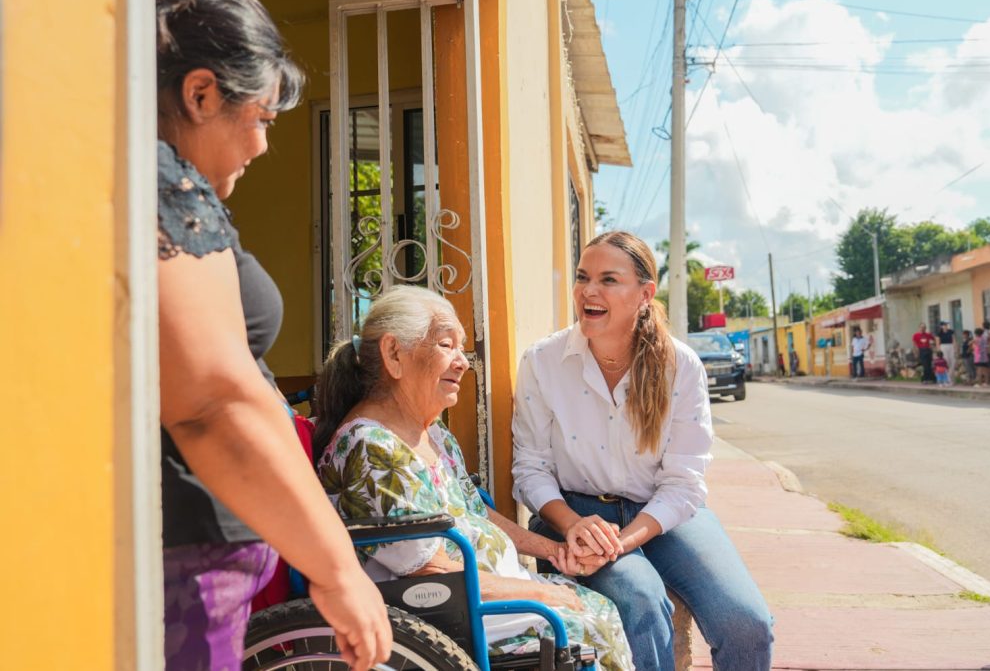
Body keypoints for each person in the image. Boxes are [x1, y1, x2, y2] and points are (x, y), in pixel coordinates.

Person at [155, 0, 391, 668]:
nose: (262, 146)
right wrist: (337, 568)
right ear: (200, 92)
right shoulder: (158, 181)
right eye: (259, 119)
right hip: (181, 578)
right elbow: (213, 404)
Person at [312, 286, 633, 669]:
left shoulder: (433, 434)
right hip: (444, 614)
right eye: (447, 345)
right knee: (585, 625)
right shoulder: (371, 447)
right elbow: (430, 573)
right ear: (394, 354)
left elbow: (475, 512)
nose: (463, 361)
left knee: (600, 609)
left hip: (481, 600)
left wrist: (555, 552)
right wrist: (538, 593)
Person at [512, 231, 773, 671]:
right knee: (641, 600)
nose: (589, 291)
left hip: (665, 515)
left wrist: (620, 543)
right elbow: (530, 468)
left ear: (644, 294)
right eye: (582, 277)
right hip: (576, 514)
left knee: (747, 622)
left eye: (608, 280)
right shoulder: (543, 361)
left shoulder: (680, 365)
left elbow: (684, 483)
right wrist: (574, 525)